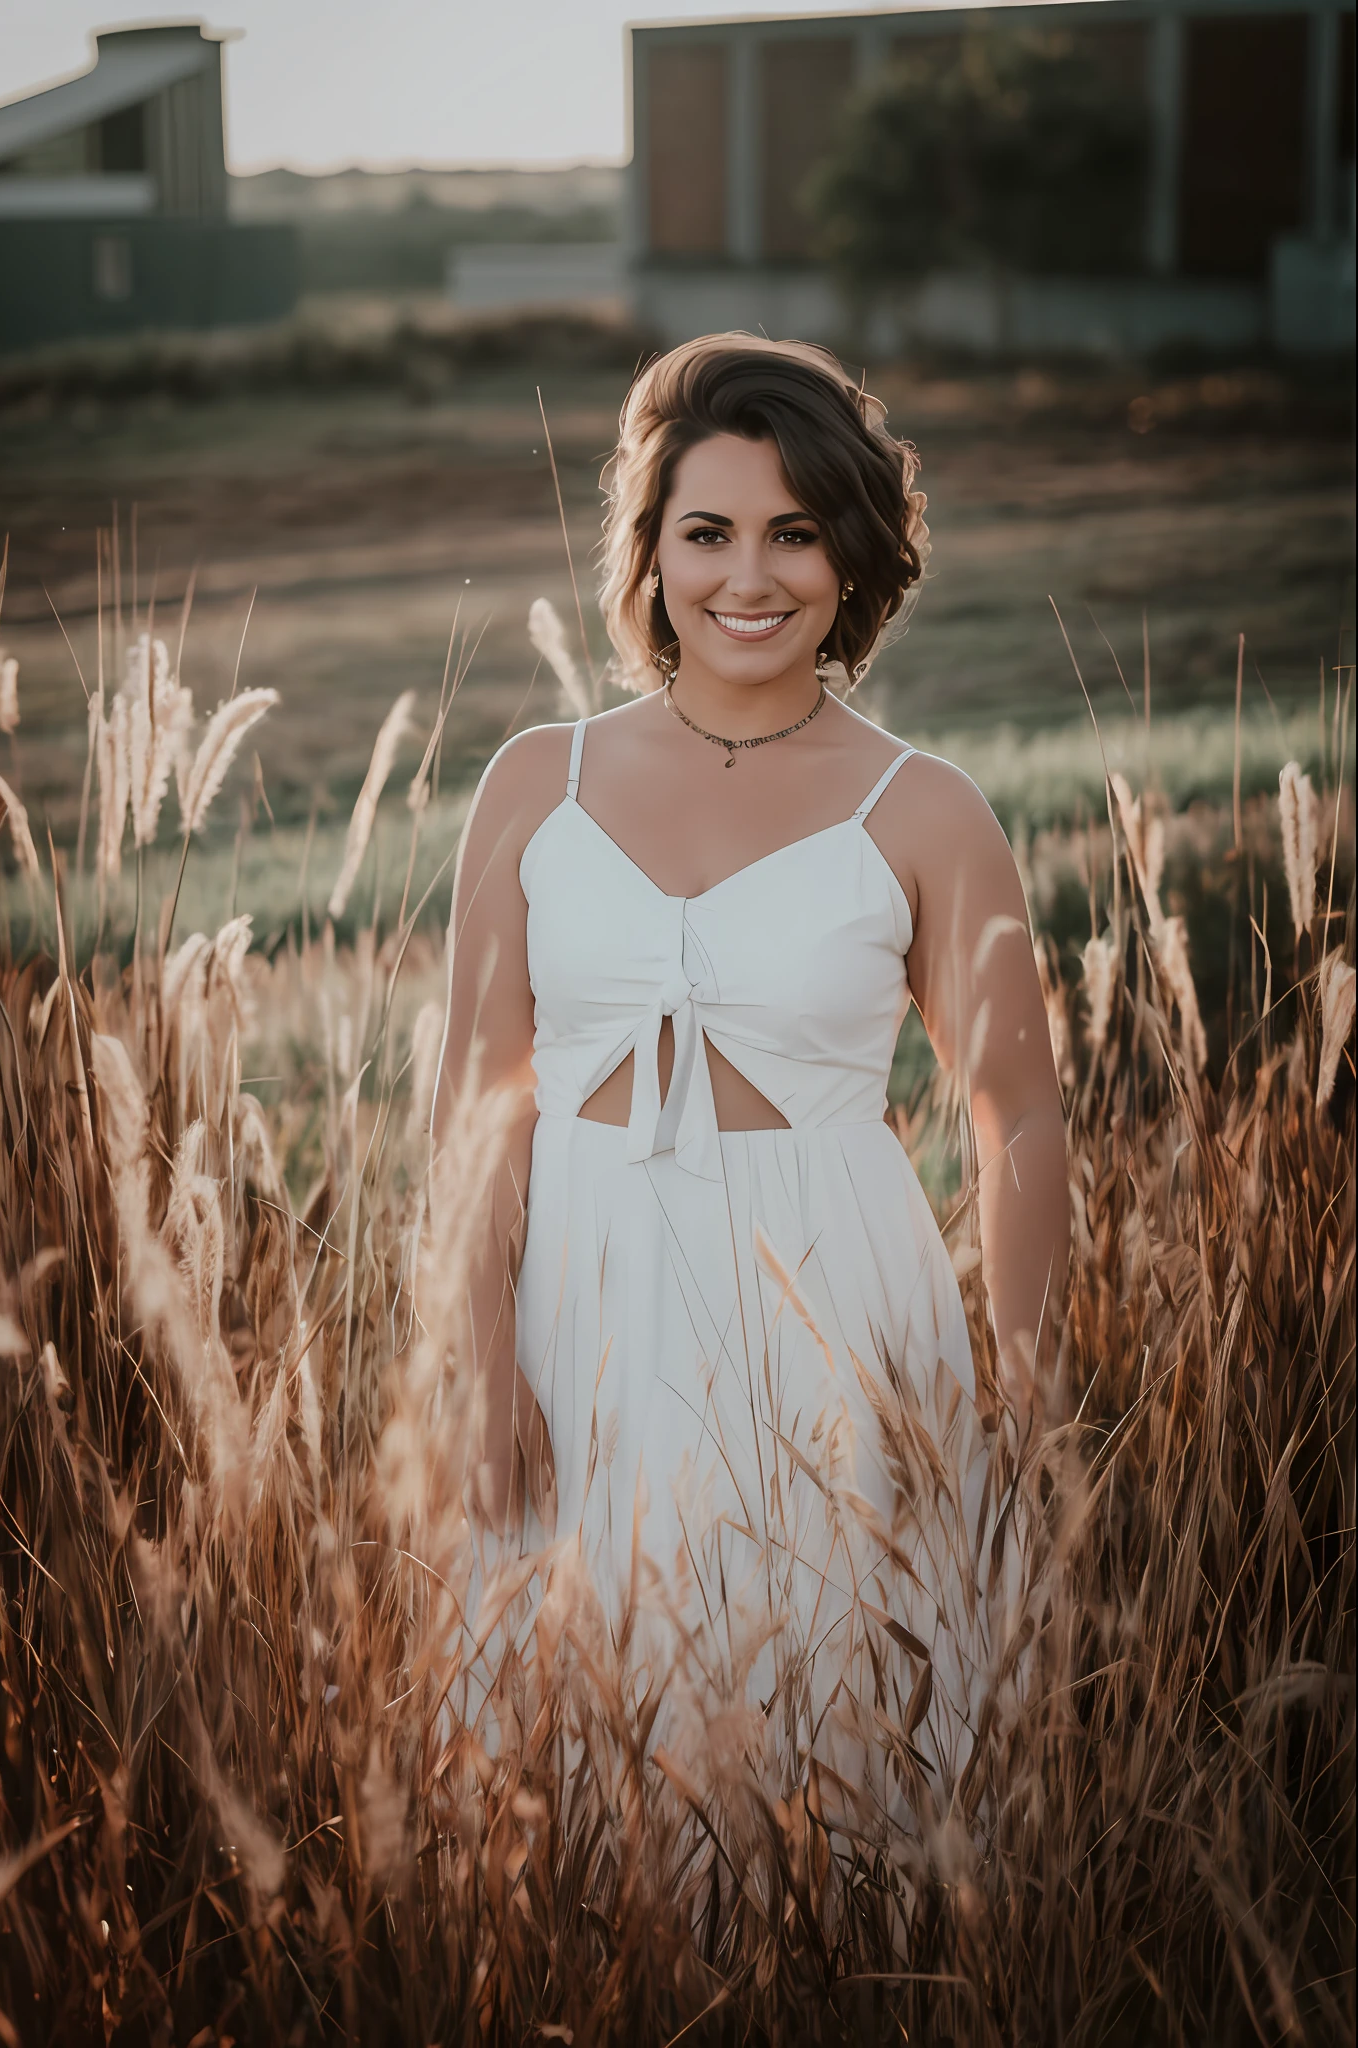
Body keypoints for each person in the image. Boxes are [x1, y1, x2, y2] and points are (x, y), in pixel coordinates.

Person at [435, 335, 1068, 1818]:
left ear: (853, 554)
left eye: (795, 532)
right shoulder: (539, 782)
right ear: (649, 553)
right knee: (580, 1768)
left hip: (833, 1316)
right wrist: (477, 1362)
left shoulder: (927, 812)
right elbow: (476, 1104)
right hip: (576, 1311)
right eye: (707, 531)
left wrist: (1025, 1412)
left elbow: (1016, 1111)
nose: (751, 577)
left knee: (839, 1747)